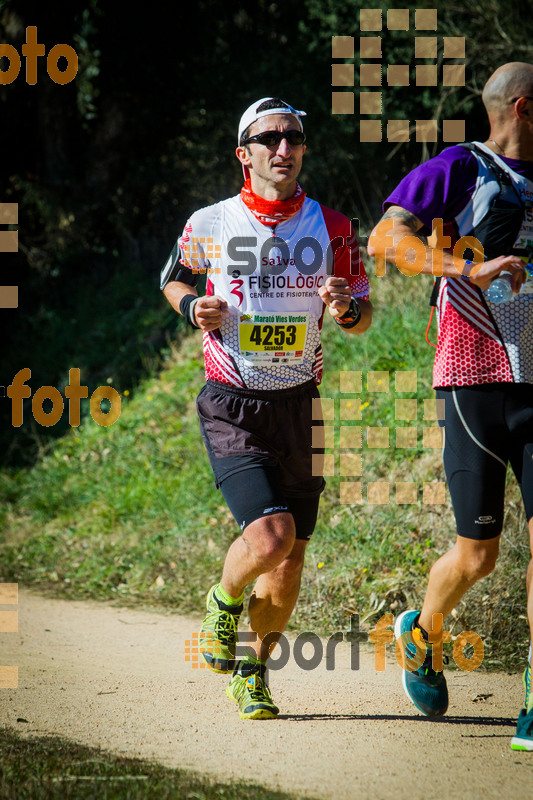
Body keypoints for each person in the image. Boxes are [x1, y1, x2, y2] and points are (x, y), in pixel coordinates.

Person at [160, 97, 372, 719]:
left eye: (295, 139)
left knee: (293, 554)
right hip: (233, 401)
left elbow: (361, 315)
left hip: (301, 404)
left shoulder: (334, 227)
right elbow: (174, 278)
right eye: (270, 138)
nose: (284, 149)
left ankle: (252, 672)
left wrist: (347, 309)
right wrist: (190, 306)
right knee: (272, 536)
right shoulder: (211, 221)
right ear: (244, 153)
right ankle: (223, 604)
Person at [368, 62, 533, 750]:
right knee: (478, 555)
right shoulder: (456, 169)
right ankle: (422, 632)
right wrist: (466, 267)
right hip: (472, 379)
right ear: (523, 108)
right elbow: (386, 242)